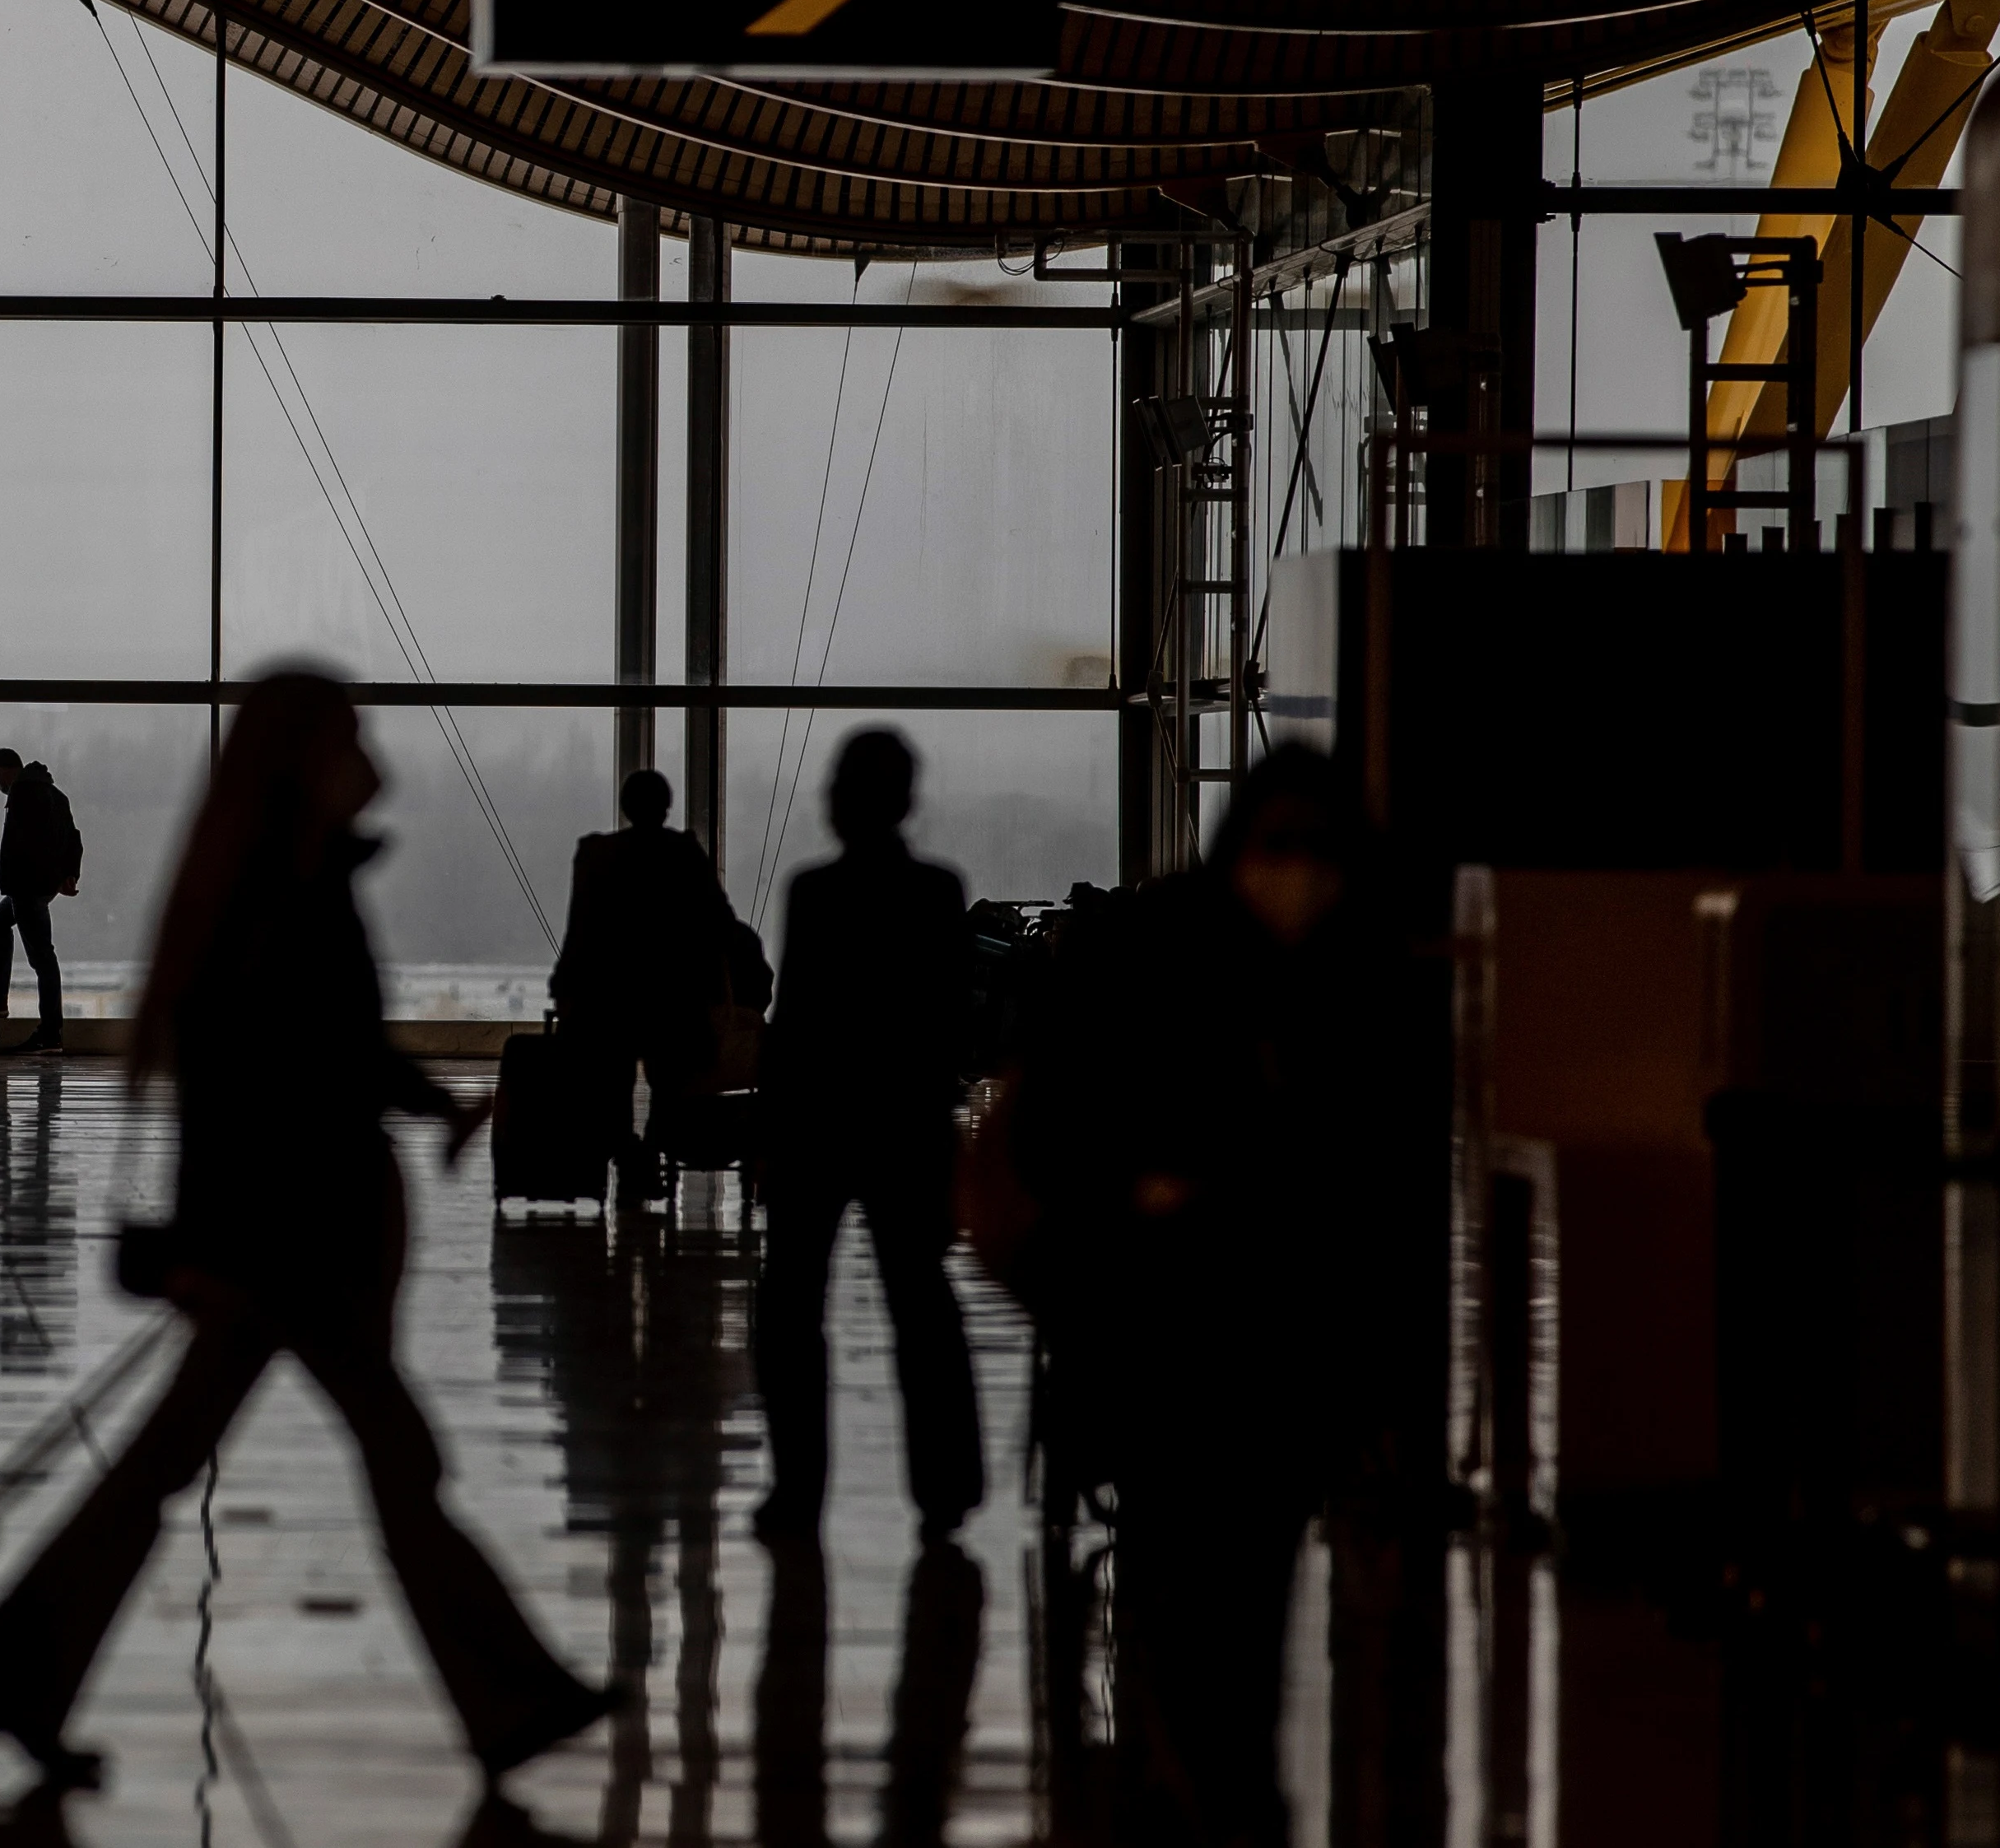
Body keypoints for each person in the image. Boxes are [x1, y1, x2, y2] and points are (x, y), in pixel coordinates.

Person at [0, 672, 614, 1787]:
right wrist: (220, 1239)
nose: (374, 760)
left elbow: (316, 1051)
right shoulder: (279, 893)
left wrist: (431, 1105)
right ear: (303, 757)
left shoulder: (282, 883)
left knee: (181, 1461)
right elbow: (247, 1072)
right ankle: (512, 1697)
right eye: (350, 737)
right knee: (393, 1460)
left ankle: (20, 1669)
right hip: (295, 1236)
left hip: (290, 1229)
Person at [999, 743, 1431, 1848]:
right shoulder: (1170, 968)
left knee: (1231, 1644)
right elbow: (1032, 1152)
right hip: (1168, 1368)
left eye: (1315, 848)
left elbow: (1382, 1219)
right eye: (1278, 845)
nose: (1295, 872)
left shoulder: (1357, 990)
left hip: (1279, 1387)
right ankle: (1212, 1804)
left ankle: (1209, 1802)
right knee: (1201, 1644)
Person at [751, 728, 984, 1546]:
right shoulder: (937, 891)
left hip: (819, 1123)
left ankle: (797, 1489)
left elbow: (796, 1022)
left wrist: (770, 1126)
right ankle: (945, 1487)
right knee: (920, 1307)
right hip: (906, 1125)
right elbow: (952, 1021)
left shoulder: (813, 891)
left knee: (788, 1311)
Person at [547, 768, 751, 1148]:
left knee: (612, 1074)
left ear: (625, 807)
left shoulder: (596, 855)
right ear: (667, 808)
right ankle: (660, 1139)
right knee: (669, 1077)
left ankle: (623, 1145)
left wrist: (564, 987)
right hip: (674, 1005)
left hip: (609, 1004)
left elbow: (579, 931)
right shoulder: (685, 853)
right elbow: (721, 923)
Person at [0, 747, 81, 1053]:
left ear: (6, 770)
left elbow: (27, 846)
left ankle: (50, 1032)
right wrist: (66, 874)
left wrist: (32, 879)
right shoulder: (53, 793)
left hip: (27, 887)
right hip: (39, 886)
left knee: (43, 959)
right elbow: (72, 837)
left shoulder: (24, 795)